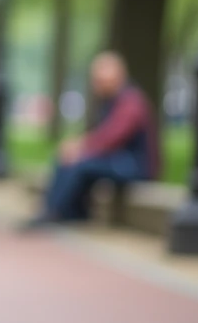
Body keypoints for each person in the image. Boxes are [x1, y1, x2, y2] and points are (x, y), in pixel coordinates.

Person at [22, 51, 162, 229]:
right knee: (70, 159)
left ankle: (53, 212)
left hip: (136, 165)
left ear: (118, 77)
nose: (97, 85)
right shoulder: (110, 101)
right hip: (119, 159)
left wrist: (82, 146)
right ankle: (68, 211)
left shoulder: (131, 102)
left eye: (102, 80)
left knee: (80, 163)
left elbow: (113, 136)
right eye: (96, 80)